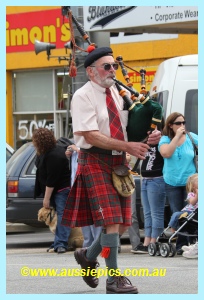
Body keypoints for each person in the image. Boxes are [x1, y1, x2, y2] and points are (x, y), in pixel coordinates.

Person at [61, 46, 161, 294]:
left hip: (119, 162)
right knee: (112, 221)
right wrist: (127, 145)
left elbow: (129, 128)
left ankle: (88, 254)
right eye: (107, 66)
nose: (113, 70)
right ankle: (114, 278)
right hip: (95, 160)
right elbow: (91, 135)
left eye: (114, 66)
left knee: (123, 224)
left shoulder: (117, 93)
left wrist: (151, 134)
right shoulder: (82, 96)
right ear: (91, 72)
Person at [158, 112, 198, 253]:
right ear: (170, 125)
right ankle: (180, 246)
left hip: (191, 183)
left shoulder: (192, 137)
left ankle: (192, 243)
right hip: (172, 182)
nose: (182, 126)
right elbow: (166, 153)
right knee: (178, 213)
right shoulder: (164, 139)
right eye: (178, 123)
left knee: (191, 214)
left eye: (183, 123)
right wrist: (176, 137)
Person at [33, 128, 72, 254]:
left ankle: (61, 243)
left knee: (63, 216)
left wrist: (46, 198)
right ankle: (58, 242)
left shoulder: (55, 155)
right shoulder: (44, 152)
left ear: (39, 142)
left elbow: (52, 180)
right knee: (59, 216)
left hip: (61, 189)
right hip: (56, 189)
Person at [132, 121, 166, 254]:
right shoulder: (146, 140)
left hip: (157, 179)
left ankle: (154, 241)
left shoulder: (162, 140)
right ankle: (147, 241)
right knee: (147, 213)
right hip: (145, 179)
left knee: (155, 212)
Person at [66, 144, 102, 248]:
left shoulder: (89, 141)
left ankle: (96, 245)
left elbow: (93, 156)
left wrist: (77, 150)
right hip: (77, 183)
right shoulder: (76, 144)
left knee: (94, 216)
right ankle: (87, 246)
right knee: (84, 218)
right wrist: (69, 155)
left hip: (90, 182)